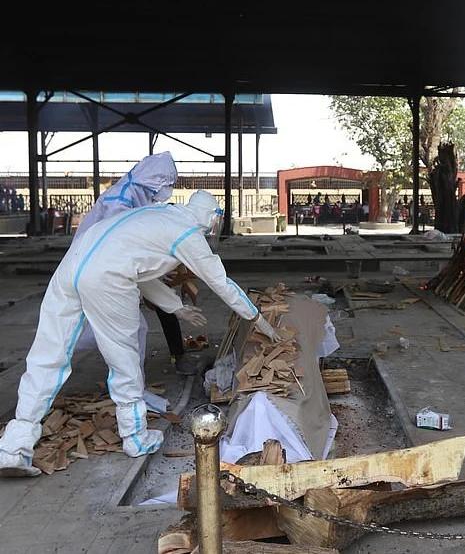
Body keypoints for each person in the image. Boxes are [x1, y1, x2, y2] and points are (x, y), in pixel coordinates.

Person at [0, 191, 282, 477]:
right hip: (107, 277)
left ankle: (14, 446)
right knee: (123, 356)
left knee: (48, 355)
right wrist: (256, 317)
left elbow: (137, 269)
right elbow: (221, 283)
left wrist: (177, 307)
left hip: (71, 266)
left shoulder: (156, 216)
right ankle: (135, 436)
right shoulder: (187, 233)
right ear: (212, 218)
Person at [71, 153, 194, 374]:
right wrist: (152, 272)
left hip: (111, 266)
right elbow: (122, 245)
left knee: (127, 325)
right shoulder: (119, 202)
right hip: (99, 268)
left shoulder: (139, 197)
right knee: (128, 327)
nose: (168, 189)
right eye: (168, 183)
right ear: (155, 180)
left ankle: (131, 383)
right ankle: (129, 388)